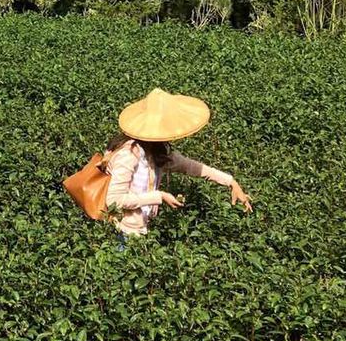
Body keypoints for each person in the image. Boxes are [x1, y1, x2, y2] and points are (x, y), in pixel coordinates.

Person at [105, 88, 253, 239]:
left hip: (141, 230)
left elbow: (192, 166)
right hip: (122, 232)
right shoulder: (128, 154)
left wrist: (231, 182)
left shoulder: (156, 151)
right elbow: (114, 201)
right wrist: (159, 196)